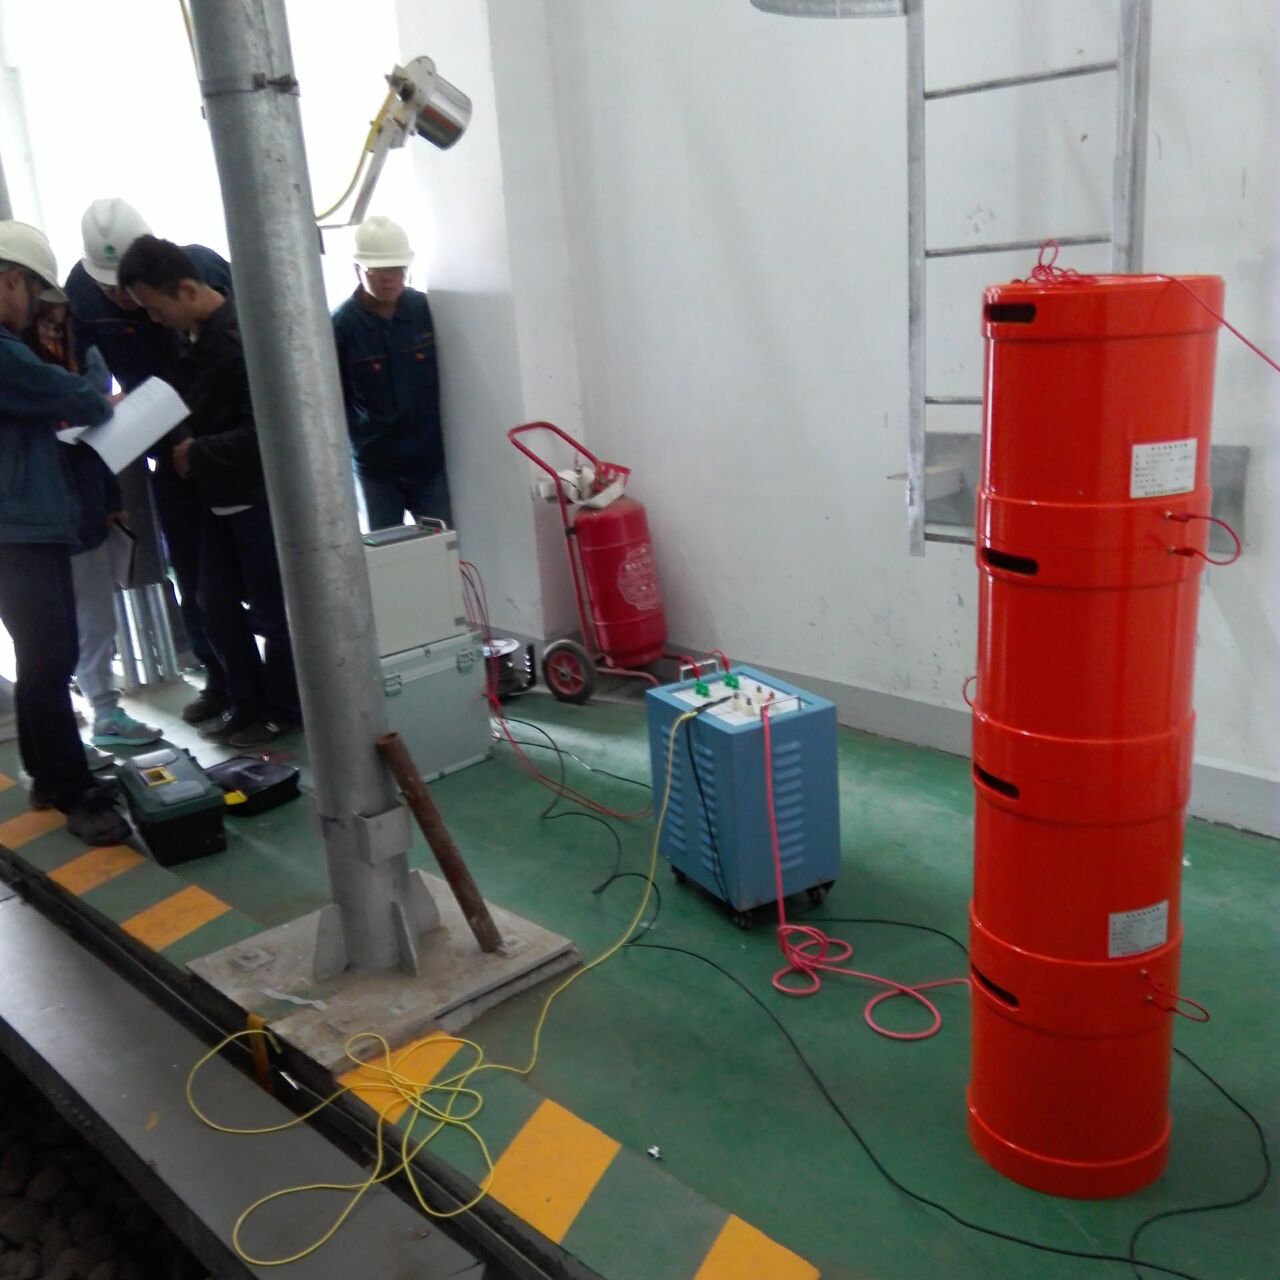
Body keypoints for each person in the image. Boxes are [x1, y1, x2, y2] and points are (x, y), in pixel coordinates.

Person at [118, 235, 301, 748]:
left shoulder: (243, 340)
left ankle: (283, 709)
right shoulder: (191, 337)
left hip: (254, 498)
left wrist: (197, 452)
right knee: (212, 604)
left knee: (274, 613)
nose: (154, 319)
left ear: (186, 289)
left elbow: (266, 431)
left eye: (155, 307)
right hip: (214, 497)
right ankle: (245, 702)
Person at [65, 198, 234, 725]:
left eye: (134, 293)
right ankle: (218, 680)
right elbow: (79, 372)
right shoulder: (79, 292)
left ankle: (267, 685)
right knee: (190, 572)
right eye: (112, 290)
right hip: (157, 440)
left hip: (222, 440)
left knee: (247, 576)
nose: (126, 299)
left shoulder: (200, 269)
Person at [0, 220, 130, 846]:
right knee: (50, 656)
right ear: (10, 281)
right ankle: (75, 791)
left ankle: (48, 777)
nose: (34, 310)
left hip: (24, 524)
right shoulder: (4, 350)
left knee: (41, 656)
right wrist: (96, 390)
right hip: (18, 527)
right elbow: (79, 399)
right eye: (32, 293)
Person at [25, 299, 162, 753]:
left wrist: (110, 499)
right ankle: (65, 733)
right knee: (49, 637)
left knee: (97, 619)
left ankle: (105, 712)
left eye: (59, 319)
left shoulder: (82, 350)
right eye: (44, 319)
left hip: (84, 506)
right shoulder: (17, 359)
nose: (53, 327)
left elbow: (99, 426)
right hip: (35, 521)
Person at [331, 216, 451, 531]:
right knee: (385, 551)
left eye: (397, 269)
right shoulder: (341, 327)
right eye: (379, 270)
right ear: (357, 270)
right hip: (377, 470)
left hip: (427, 464)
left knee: (443, 546)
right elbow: (333, 402)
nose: (390, 279)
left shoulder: (423, 310)